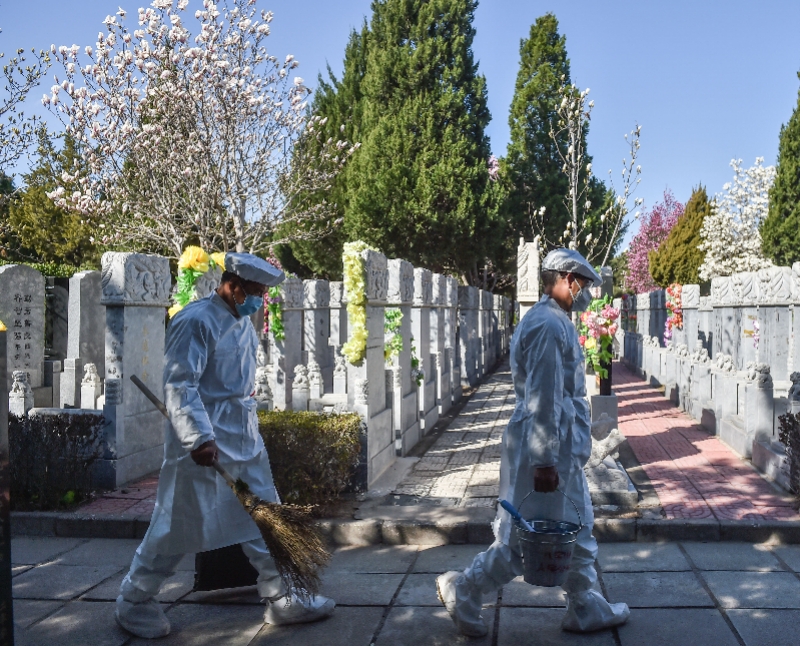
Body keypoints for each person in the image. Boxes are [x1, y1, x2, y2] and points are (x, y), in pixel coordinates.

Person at [115, 252, 335, 639]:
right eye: (255, 292)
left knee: (264, 516)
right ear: (233, 286)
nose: (260, 301)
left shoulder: (241, 321)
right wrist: (198, 437)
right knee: (176, 524)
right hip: (206, 440)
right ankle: (135, 598)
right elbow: (181, 384)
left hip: (243, 436)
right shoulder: (195, 321)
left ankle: (283, 596)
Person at [436, 248, 630, 636]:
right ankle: (465, 589)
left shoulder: (552, 321)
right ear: (566, 279)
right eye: (583, 285)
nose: (586, 293)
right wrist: (544, 461)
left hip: (558, 452)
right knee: (526, 537)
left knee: (577, 528)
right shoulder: (547, 326)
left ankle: (584, 604)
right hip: (546, 454)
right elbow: (544, 398)